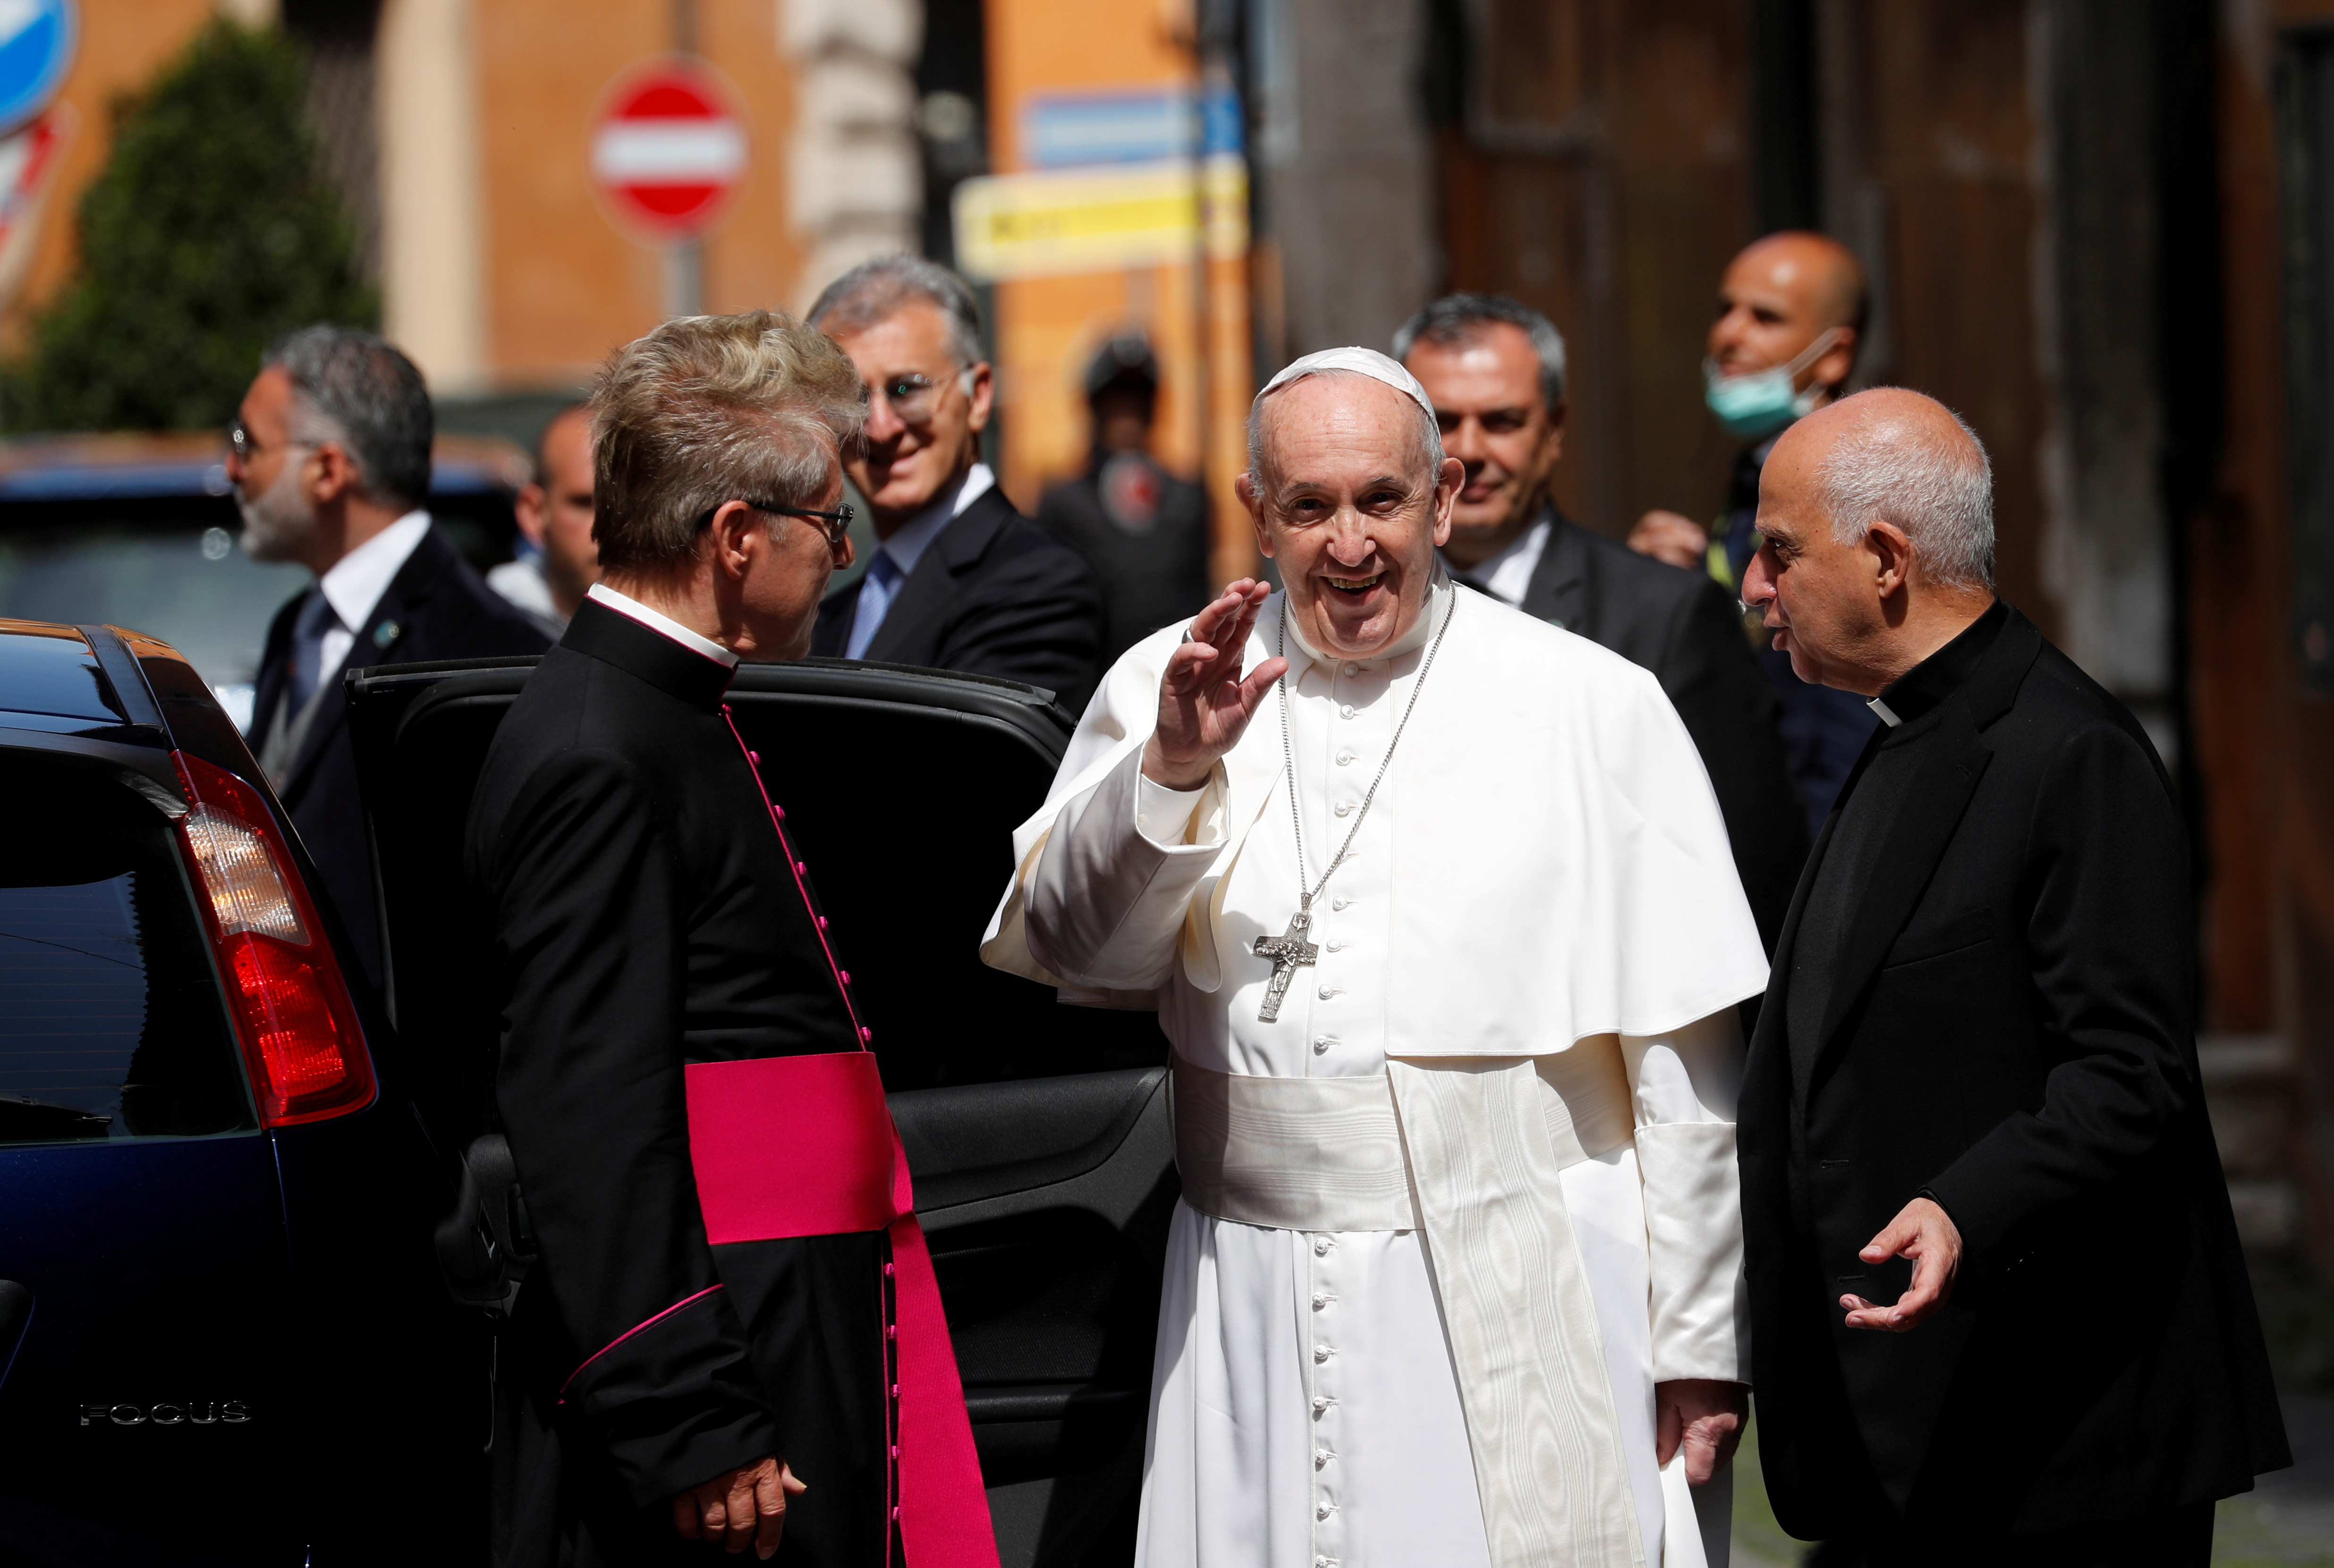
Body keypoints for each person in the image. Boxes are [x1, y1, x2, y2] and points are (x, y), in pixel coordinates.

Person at [984, 348, 1770, 1568]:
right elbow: (1078, 949)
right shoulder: (1171, 682)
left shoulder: (1590, 704)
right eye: (1307, 507)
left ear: (1440, 498)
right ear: (1256, 514)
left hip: (1520, 1271)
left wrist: (1699, 1341)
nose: (1346, 542)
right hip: (1241, 1286)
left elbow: (1682, 1066)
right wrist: (1174, 772)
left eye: (1378, 501)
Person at [466, 312, 994, 1568]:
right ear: (735, 537)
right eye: (828, 522)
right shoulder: (602, 747)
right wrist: (688, 1418)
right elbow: (590, 1116)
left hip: (777, 1304)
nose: (845, 554)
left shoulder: (662, 708)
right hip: (732, 1342)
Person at [1733, 388, 2288, 1565]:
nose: (1753, 585)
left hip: (2058, 1445)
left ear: (1885, 558)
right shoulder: (1905, 733)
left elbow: (2132, 1071)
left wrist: (1959, 1206)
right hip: (1915, 1432)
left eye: (1778, 550)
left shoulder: (2067, 751)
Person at [1397, 294, 1806, 952]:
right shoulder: (1349, 613)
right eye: (1440, 422)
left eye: (1501, 421)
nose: (1468, 451)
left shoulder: (1663, 617)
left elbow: (1751, 878)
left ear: (1553, 428)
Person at [233, 323, 548, 983]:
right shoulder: (298, 622)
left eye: (248, 445)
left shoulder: (487, 648)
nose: (233, 469)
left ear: (327, 469)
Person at [1629, 232, 1878, 836]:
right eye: (1725, 310)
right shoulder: (1758, 468)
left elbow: (1846, 714)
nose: (1729, 335)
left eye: (1764, 317)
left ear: (1834, 356)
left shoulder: (1845, 487)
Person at [807, 255, 1106, 711]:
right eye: (853, 399)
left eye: (907, 389)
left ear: (978, 396)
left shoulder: (1037, 584)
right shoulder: (822, 611)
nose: (881, 427)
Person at [1035, 333, 1211, 663]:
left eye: (1137, 399)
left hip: (1175, 677)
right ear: (1095, 407)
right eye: (1116, 400)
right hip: (1094, 686)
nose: (1127, 413)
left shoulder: (1187, 497)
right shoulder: (1062, 503)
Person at [490, 402, 602, 636]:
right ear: (535, 514)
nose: (613, 526)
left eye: (633, 506)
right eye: (585, 504)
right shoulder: (481, 629)